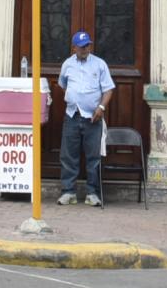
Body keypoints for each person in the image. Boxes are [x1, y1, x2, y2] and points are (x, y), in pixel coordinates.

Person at [56, 30, 114, 206]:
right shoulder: (67, 64)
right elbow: (62, 84)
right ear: (74, 48)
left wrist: (101, 107)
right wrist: (74, 98)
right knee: (68, 156)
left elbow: (108, 89)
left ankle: (92, 193)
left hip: (93, 118)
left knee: (93, 157)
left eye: (87, 45)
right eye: (81, 46)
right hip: (72, 115)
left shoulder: (99, 64)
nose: (85, 49)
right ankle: (68, 192)